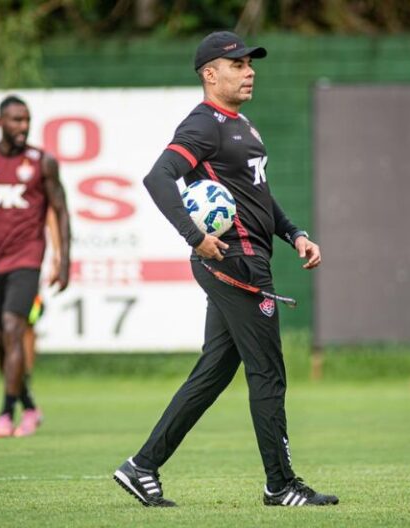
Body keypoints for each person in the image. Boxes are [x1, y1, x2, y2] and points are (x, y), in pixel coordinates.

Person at [112, 31, 338, 508]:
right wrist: (194, 236)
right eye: (237, 64)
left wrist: (294, 232)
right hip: (234, 262)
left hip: (249, 257)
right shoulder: (204, 124)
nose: (249, 70)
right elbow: (159, 177)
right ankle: (281, 485)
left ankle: (142, 466)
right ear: (209, 74)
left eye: (250, 63)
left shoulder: (244, 126)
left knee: (214, 372)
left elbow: (259, 196)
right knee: (268, 373)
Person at [0, 95, 71, 438]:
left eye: (27, 120)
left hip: (26, 258)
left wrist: (64, 262)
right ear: (0, 122)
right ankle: (29, 405)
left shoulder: (41, 162)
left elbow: (61, 211)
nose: (23, 127)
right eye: (16, 120)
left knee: (13, 326)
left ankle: (6, 414)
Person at [0, 207, 61, 397]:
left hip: (26, 265)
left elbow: (49, 214)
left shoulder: (32, 183)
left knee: (27, 323)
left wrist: (57, 252)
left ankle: (24, 379)